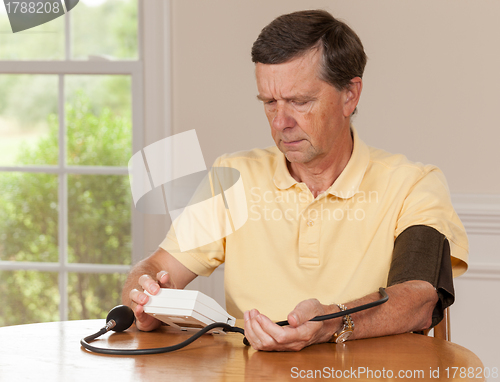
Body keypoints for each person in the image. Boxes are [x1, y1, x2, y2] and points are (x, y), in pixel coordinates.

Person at [122, 10, 468, 351]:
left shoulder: (414, 185)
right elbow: (157, 267)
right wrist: (143, 296)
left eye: (300, 101)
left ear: (350, 95)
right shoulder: (233, 177)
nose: (280, 121)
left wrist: (331, 322)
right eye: (270, 102)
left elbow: (419, 300)